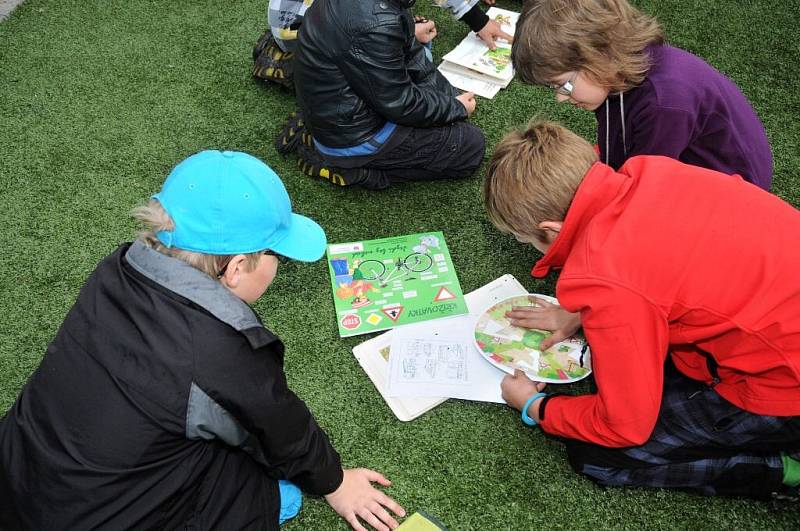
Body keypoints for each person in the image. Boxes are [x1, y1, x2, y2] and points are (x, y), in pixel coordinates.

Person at [0, 151, 405, 530]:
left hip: (20, 473)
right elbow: (280, 426)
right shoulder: (223, 352)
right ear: (237, 268)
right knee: (251, 482)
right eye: (275, 255)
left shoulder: (116, 267)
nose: (278, 265)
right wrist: (335, 482)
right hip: (97, 517)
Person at [484, 120, 800, 502]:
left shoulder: (608, 281)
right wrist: (583, 313)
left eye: (524, 239)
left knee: (596, 454)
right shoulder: (651, 170)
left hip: (785, 388)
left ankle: (779, 468)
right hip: (775, 328)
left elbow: (625, 427)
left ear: (550, 229)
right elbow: (668, 267)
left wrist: (536, 407)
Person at [509, 0, 775, 345]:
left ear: (596, 54)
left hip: (731, 209)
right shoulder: (618, 76)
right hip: (687, 178)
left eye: (563, 84)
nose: (560, 98)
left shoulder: (664, 102)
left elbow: (641, 217)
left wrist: (578, 310)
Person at [281, 0, 486, 190]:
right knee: (470, 146)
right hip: (354, 134)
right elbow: (402, 105)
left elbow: (409, 55)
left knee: (425, 55)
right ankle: (353, 169)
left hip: (337, 105)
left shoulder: (382, 13)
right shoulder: (375, 26)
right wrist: (456, 108)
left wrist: (448, 97)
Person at [253, 0, 512, 87]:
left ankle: (300, 61)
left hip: (300, 22)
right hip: (308, 33)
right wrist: (407, 32)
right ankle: (303, 67)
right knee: (414, 67)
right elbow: (363, 20)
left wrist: (478, 21)